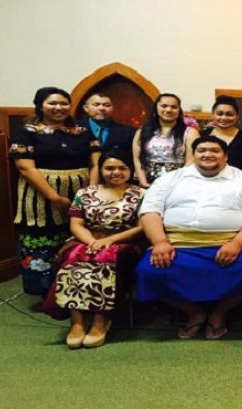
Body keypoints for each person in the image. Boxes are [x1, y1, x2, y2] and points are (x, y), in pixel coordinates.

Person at [135, 135, 242, 339]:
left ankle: (219, 313)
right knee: (149, 270)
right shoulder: (170, 179)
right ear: (194, 154)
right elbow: (150, 212)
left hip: (232, 242)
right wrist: (160, 242)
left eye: (214, 151)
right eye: (202, 150)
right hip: (177, 243)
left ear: (225, 156)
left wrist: (237, 244)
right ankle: (195, 312)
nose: (208, 154)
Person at [9, 87, 101, 295]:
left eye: (63, 103)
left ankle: (74, 290)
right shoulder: (26, 131)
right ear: (40, 105)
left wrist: (90, 192)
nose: (59, 108)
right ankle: (44, 292)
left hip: (80, 192)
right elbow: (25, 167)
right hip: (41, 195)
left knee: (76, 237)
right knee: (43, 239)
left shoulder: (83, 131)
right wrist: (54, 197)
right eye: (52, 103)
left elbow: (95, 163)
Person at [53, 149, 145, 348]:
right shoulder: (84, 193)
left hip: (124, 241)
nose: (116, 172)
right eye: (109, 168)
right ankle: (77, 322)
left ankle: (101, 320)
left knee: (105, 259)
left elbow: (141, 227)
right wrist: (91, 242)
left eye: (122, 168)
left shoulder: (142, 194)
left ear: (131, 170)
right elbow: (76, 224)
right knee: (73, 257)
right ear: (101, 169)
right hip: (85, 239)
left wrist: (109, 240)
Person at [132, 93, 199, 187]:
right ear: (156, 108)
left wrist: (178, 184)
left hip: (178, 184)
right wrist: (144, 182)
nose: (168, 110)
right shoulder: (142, 131)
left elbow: (190, 162)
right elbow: (137, 159)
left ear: (179, 110)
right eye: (164, 106)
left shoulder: (190, 133)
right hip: (147, 183)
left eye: (174, 107)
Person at [188, 95, 242, 177]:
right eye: (219, 114)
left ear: (237, 117)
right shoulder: (201, 136)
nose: (224, 117)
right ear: (213, 115)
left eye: (229, 114)